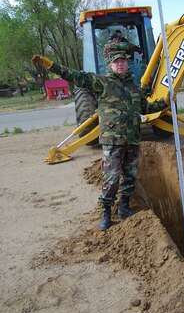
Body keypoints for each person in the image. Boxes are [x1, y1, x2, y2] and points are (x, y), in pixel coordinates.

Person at [32, 52, 168, 231]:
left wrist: (163, 103)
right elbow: (75, 76)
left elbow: (145, 108)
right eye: (116, 62)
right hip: (113, 141)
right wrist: (51, 65)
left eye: (123, 61)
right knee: (111, 179)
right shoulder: (102, 83)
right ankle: (106, 212)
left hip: (132, 141)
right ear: (110, 66)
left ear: (127, 65)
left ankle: (124, 208)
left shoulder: (134, 89)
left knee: (131, 177)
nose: (120, 64)